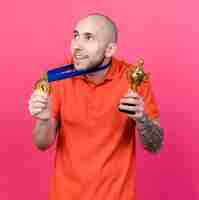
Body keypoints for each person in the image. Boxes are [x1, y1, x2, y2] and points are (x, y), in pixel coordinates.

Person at [28, 13, 164, 200]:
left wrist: (142, 119)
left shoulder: (134, 79)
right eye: (75, 36)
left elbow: (155, 146)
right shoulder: (58, 79)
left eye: (88, 38)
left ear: (110, 49)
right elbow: (41, 144)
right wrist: (43, 120)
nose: (77, 46)